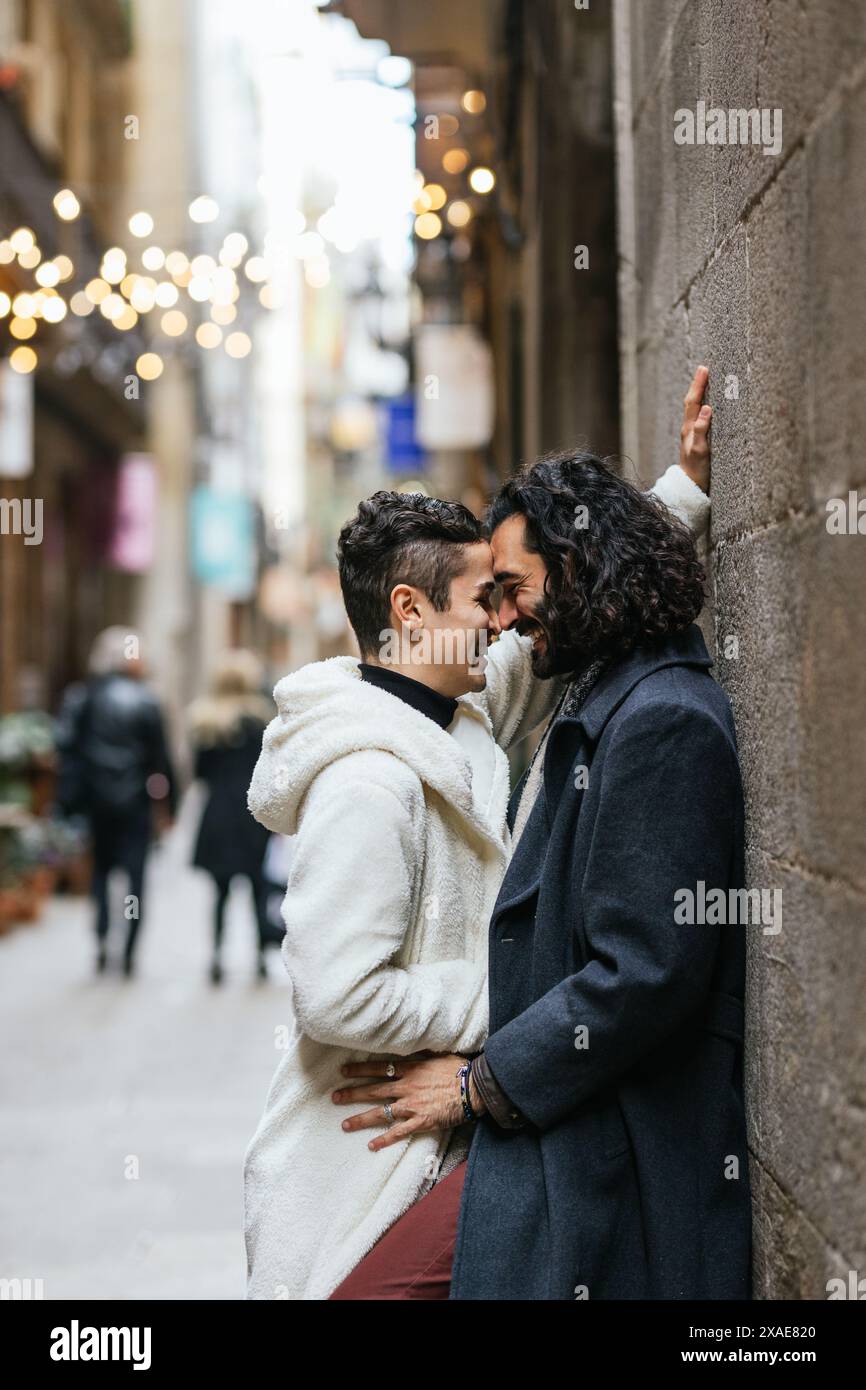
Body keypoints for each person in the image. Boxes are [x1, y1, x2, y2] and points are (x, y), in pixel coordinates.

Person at [243, 372, 712, 1300]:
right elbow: (333, 995)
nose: (499, 622)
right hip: (360, 1155)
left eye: (504, 595)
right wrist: (518, 994)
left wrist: (682, 494)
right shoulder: (368, 780)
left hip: (448, 1134)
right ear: (411, 615)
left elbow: (572, 597)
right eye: (479, 598)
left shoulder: (453, 716)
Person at [55, 626, 177, 977]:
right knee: (135, 879)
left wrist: (69, 800)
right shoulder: (147, 700)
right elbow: (162, 760)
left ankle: (102, 937)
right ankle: (129, 947)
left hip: (97, 802)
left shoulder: (84, 697)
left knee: (101, 872)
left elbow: (67, 748)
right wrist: (170, 807)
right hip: (135, 803)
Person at [188, 650, 276, 984]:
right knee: (257, 888)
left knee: (220, 892)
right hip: (252, 815)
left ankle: (216, 956)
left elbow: (199, 774)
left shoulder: (205, 723)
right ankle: (259, 958)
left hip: (218, 815)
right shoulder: (260, 721)